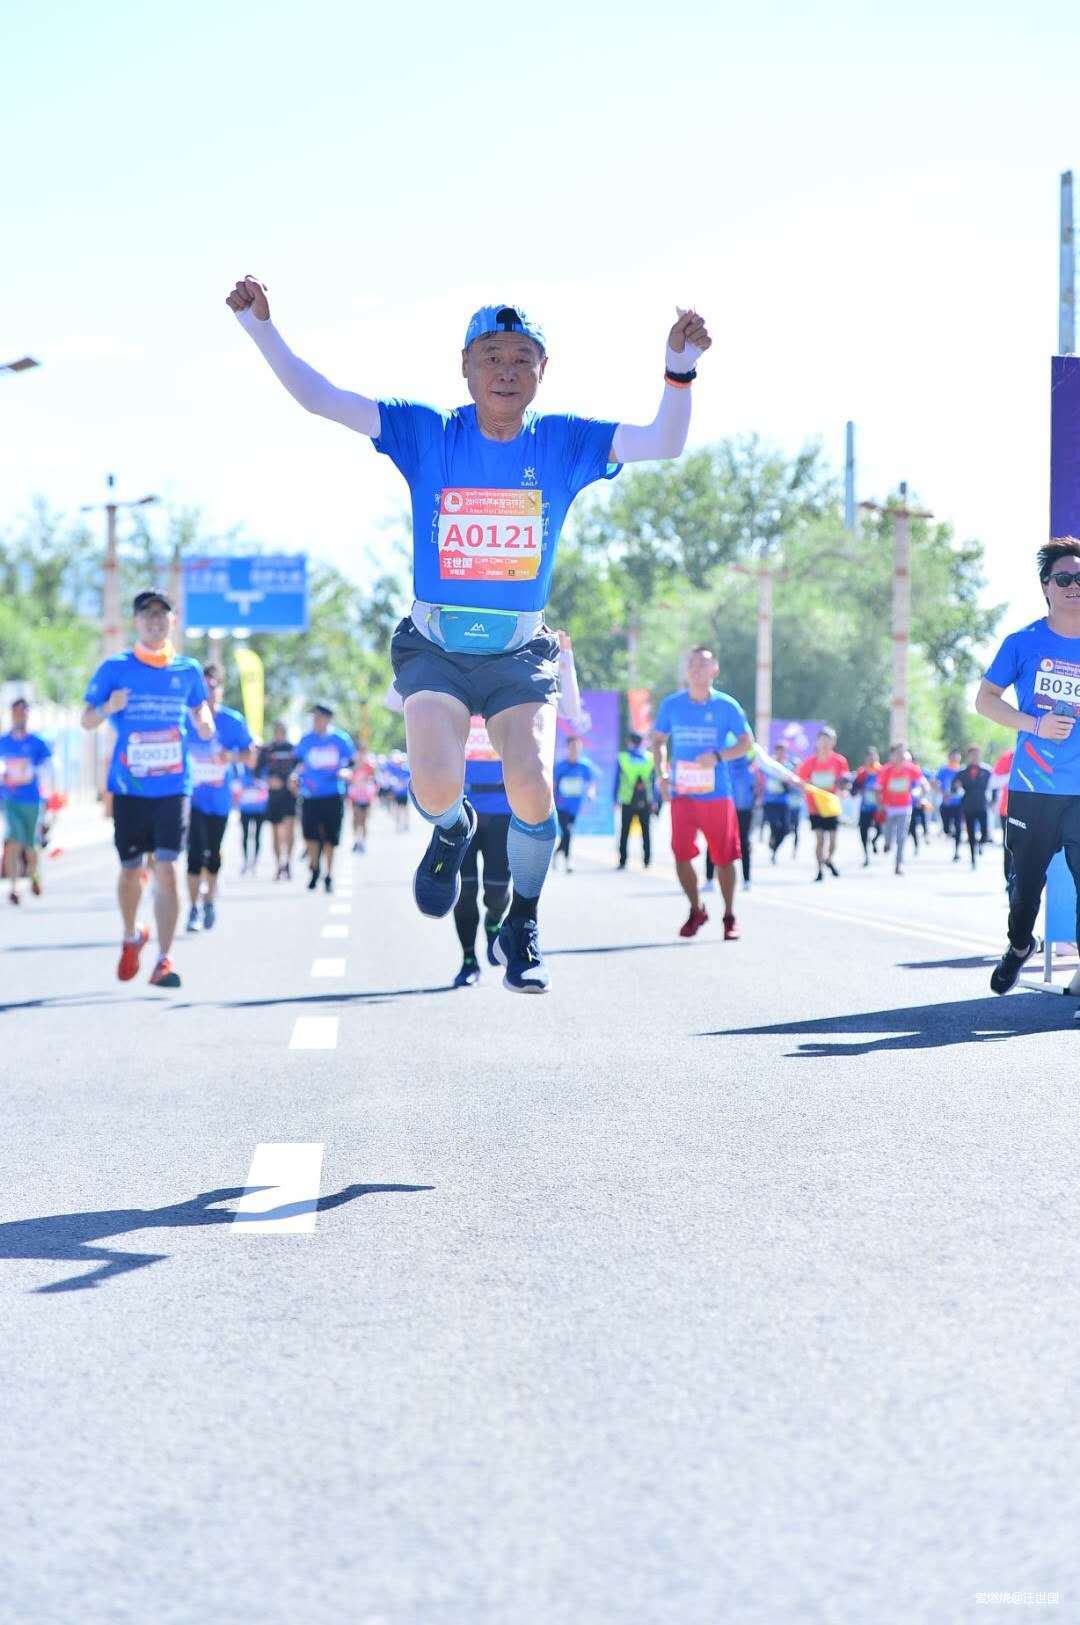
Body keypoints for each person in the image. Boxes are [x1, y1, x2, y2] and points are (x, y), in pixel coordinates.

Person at [228, 273, 710, 993]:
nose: (507, 371)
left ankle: (522, 921)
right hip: (438, 649)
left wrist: (678, 369)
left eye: (522, 357)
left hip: (519, 653)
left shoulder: (565, 442)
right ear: (464, 366)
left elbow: (665, 441)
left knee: (531, 785)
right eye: (492, 356)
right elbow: (320, 397)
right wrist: (261, 328)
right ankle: (450, 829)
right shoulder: (428, 433)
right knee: (435, 777)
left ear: (543, 371)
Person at [81, 590, 213, 987]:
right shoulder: (115, 668)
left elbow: (199, 706)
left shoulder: (188, 670)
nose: (155, 621)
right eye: (147, 615)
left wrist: (204, 722)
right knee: (129, 871)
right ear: (136, 621)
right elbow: (86, 720)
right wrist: (108, 707)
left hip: (173, 786)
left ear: (172, 622)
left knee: (168, 870)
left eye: (162, 615)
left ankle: (164, 959)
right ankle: (131, 934)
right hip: (129, 787)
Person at [976, 540, 1080, 992]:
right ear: (1046, 587)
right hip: (1033, 787)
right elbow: (985, 702)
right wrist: (1035, 725)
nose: (1074, 586)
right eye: (1064, 579)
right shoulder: (1022, 643)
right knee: (1024, 890)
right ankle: (1020, 946)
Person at [652, 646, 752, 940]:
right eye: (692, 665)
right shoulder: (672, 705)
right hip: (682, 793)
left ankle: (730, 916)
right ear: (687, 671)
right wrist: (663, 774)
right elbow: (658, 741)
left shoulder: (726, 706)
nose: (697, 670)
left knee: (724, 858)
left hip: (717, 794)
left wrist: (719, 756)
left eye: (703, 665)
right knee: (681, 855)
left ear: (714, 670)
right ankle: (697, 909)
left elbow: (747, 742)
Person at [186, 664, 253, 931]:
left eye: (213, 687)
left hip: (219, 799)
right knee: (194, 854)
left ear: (220, 691)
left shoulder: (232, 721)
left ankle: (209, 901)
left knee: (212, 853)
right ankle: (192, 909)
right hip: (190, 798)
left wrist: (231, 756)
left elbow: (250, 755)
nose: (209, 693)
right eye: (203, 688)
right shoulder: (184, 719)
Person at [291, 703, 356, 893]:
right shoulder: (306, 740)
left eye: (319, 717)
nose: (315, 721)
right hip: (310, 794)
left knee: (330, 837)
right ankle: (314, 868)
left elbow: (351, 763)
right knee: (310, 835)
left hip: (332, 794)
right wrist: (294, 777)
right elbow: (297, 764)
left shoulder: (340, 739)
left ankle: (328, 873)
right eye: (314, 717)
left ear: (328, 719)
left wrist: (346, 771)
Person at [0, 698, 53, 905]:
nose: (19, 716)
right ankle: (14, 887)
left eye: (23, 712)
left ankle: (33, 876)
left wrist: (33, 773)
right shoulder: (3, 742)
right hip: (10, 799)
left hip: (31, 800)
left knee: (30, 846)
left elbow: (48, 769)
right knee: (13, 842)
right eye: (16, 712)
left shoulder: (37, 743)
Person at [797, 727, 850, 881]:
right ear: (817, 742)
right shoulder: (809, 763)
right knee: (820, 839)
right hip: (815, 806)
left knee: (833, 840)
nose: (825, 744)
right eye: (822, 741)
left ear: (833, 742)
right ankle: (819, 869)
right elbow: (802, 782)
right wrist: (806, 790)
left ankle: (828, 859)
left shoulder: (839, 761)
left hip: (832, 805)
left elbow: (844, 781)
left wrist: (844, 790)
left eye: (829, 741)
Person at [259, 721, 298, 880]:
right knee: (275, 832)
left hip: (289, 795)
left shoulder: (292, 749)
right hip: (274, 796)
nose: (280, 733)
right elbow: (258, 771)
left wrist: (295, 780)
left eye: (283, 731)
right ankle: (278, 865)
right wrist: (268, 780)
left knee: (289, 830)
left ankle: (288, 862)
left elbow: (300, 767)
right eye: (278, 731)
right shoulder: (267, 749)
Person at [876, 743, 923, 876]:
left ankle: (899, 864)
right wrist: (880, 805)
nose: (901, 756)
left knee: (901, 836)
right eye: (898, 753)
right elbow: (877, 789)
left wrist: (919, 792)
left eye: (903, 753)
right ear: (892, 755)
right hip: (888, 807)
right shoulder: (885, 770)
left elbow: (922, 784)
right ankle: (887, 842)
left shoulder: (911, 769)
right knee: (888, 834)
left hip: (904, 807)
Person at [553, 735, 597, 872]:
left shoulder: (585, 766)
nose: (575, 750)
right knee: (567, 831)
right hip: (561, 805)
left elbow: (591, 783)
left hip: (575, 806)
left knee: (567, 833)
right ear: (567, 748)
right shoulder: (560, 765)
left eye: (577, 747)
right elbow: (553, 784)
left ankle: (556, 854)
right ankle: (568, 860)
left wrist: (591, 793)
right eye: (572, 747)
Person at [615, 730, 656, 871]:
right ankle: (647, 860)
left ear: (630, 742)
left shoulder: (623, 758)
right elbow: (654, 780)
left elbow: (617, 780)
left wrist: (615, 798)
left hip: (628, 799)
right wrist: (656, 801)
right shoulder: (650, 758)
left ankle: (622, 861)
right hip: (646, 800)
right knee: (646, 831)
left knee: (625, 832)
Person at [952, 745, 992, 869]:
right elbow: (953, 787)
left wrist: (994, 801)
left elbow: (994, 785)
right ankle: (973, 858)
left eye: (977, 754)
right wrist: (956, 787)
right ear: (968, 756)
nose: (974, 757)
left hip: (982, 805)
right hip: (968, 806)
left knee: (985, 833)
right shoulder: (962, 772)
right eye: (972, 755)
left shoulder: (987, 771)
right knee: (970, 833)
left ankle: (981, 844)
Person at [761, 744, 795, 862]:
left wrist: (787, 784)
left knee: (786, 829)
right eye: (778, 751)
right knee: (775, 825)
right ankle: (772, 840)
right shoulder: (768, 764)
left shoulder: (788, 766)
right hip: (770, 802)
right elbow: (762, 780)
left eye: (783, 751)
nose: (781, 754)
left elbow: (792, 782)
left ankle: (774, 847)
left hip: (784, 802)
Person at [851, 747, 882, 866]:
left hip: (879, 808)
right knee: (863, 831)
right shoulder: (862, 773)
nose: (871, 761)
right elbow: (854, 788)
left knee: (880, 829)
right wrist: (854, 791)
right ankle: (866, 856)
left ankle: (874, 841)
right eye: (869, 758)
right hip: (865, 808)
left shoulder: (882, 771)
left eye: (874, 758)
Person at [237, 765, 270, 872]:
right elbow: (237, 787)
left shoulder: (264, 770)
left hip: (259, 810)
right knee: (245, 836)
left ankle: (255, 863)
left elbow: (266, 788)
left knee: (257, 836)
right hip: (245, 809)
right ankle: (246, 861)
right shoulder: (240, 769)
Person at [348, 741, 378, 853]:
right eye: (359, 751)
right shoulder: (353, 764)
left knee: (364, 820)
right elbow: (349, 777)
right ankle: (356, 840)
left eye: (363, 751)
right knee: (356, 818)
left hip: (366, 796)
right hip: (355, 795)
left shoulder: (370, 765)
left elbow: (374, 779)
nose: (361, 754)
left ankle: (363, 842)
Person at [936, 748, 964, 861]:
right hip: (946, 804)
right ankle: (948, 831)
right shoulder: (943, 770)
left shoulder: (962, 771)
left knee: (958, 828)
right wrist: (943, 793)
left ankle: (957, 852)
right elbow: (935, 783)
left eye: (957, 757)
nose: (954, 759)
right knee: (946, 829)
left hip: (959, 804)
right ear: (949, 758)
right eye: (952, 757)